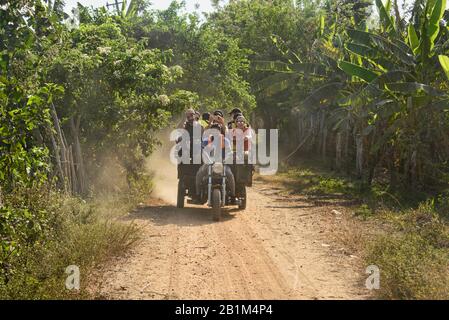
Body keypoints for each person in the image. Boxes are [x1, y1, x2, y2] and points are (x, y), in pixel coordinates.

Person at [194, 123, 236, 203]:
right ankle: (198, 195)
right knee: (199, 174)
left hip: (222, 164)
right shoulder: (207, 140)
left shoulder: (225, 140)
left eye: (217, 130)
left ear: (220, 131)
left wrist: (226, 159)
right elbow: (203, 150)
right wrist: (207, 158)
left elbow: (229, 152)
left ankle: (233, 196)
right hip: (209, 164)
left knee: (230, 175)